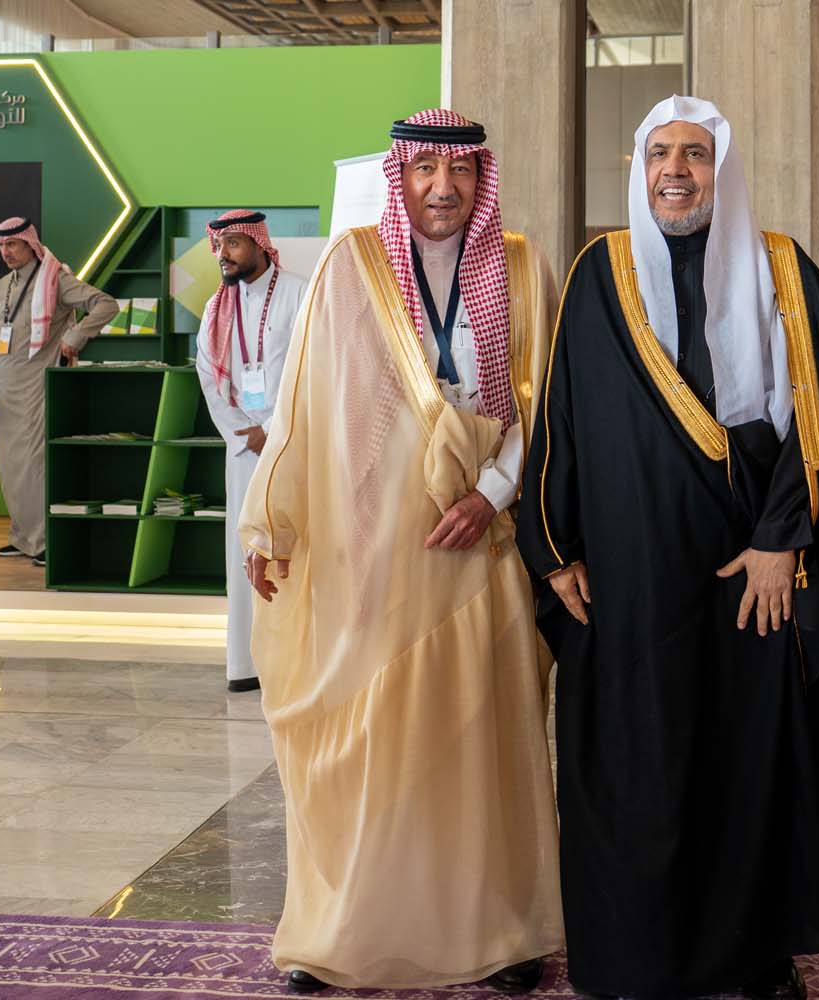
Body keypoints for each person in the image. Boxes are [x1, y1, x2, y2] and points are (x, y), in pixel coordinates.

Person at [518, 95, 819, 1000]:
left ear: (724, 169)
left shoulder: (782, 269)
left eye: (696, 154)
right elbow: (561, 420)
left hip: (751, 576)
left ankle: (757, 956)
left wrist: (780, 542)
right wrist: (554, 548)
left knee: (751, 767)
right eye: (660, 154)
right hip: (631, 579)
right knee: (636, 764)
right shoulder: (600, 273)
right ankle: (633, 956)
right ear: (639, 169)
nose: (676, 171)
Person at [238, 109, 562, 995]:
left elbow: (545, 405)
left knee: (480, 736)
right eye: (423, 170)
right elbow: (306, 404)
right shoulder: (353, 265)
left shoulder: (524, 267)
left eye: (458, 173)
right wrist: (272, 521)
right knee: (370, 737)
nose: (441, 189)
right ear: (400, 177)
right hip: (374, 547)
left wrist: (492, 494)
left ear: (481, 179)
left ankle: (500, 930)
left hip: (482, 542)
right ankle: (341, 930)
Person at [194, 210, 307, 692]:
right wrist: (244, 433)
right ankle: (247, 664)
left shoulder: (300, 293)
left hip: (293, 445)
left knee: (295, 549)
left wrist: (273, 430)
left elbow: (312, 369)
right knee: (245, 550)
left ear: (260, 244)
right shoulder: (216, 307)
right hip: (242, 449)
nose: (224, 255)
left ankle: (297, 664)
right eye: (219, 246)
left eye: (234, 244)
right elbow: (207, 374)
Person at [0, 217, 119, 567]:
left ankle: (45, 540)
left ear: (30, 244)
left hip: (38, 385)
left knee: (36, 464)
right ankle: (22, 538)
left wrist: (76, 336)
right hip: (4, 389)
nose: (6, 252)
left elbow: (105, 304)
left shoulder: (56, 280)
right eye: (1, 246)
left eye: (12, 244)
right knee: (10, 466)